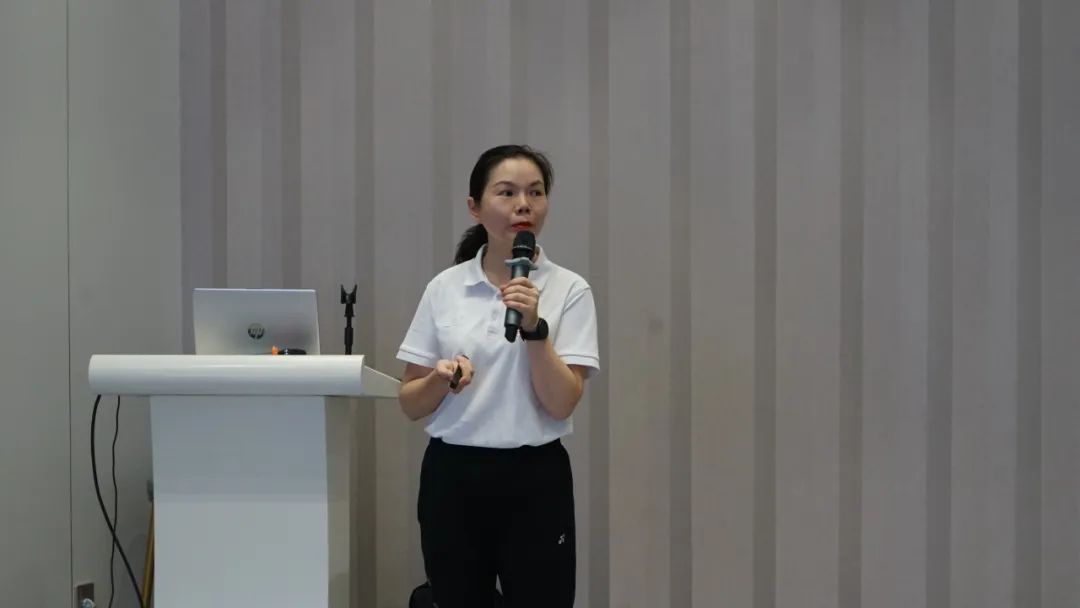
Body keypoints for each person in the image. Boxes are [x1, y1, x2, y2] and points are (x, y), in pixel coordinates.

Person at [396, 144, 600, 608]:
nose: (523, 205)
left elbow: (561, 403)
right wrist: (440, 379)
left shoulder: (569, 289)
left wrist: (534, 330)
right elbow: (409, 402)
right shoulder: (445, 288)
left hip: (535, 478)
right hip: (453, 476)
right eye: (507, 193)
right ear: (475, 207)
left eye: (535, 193)